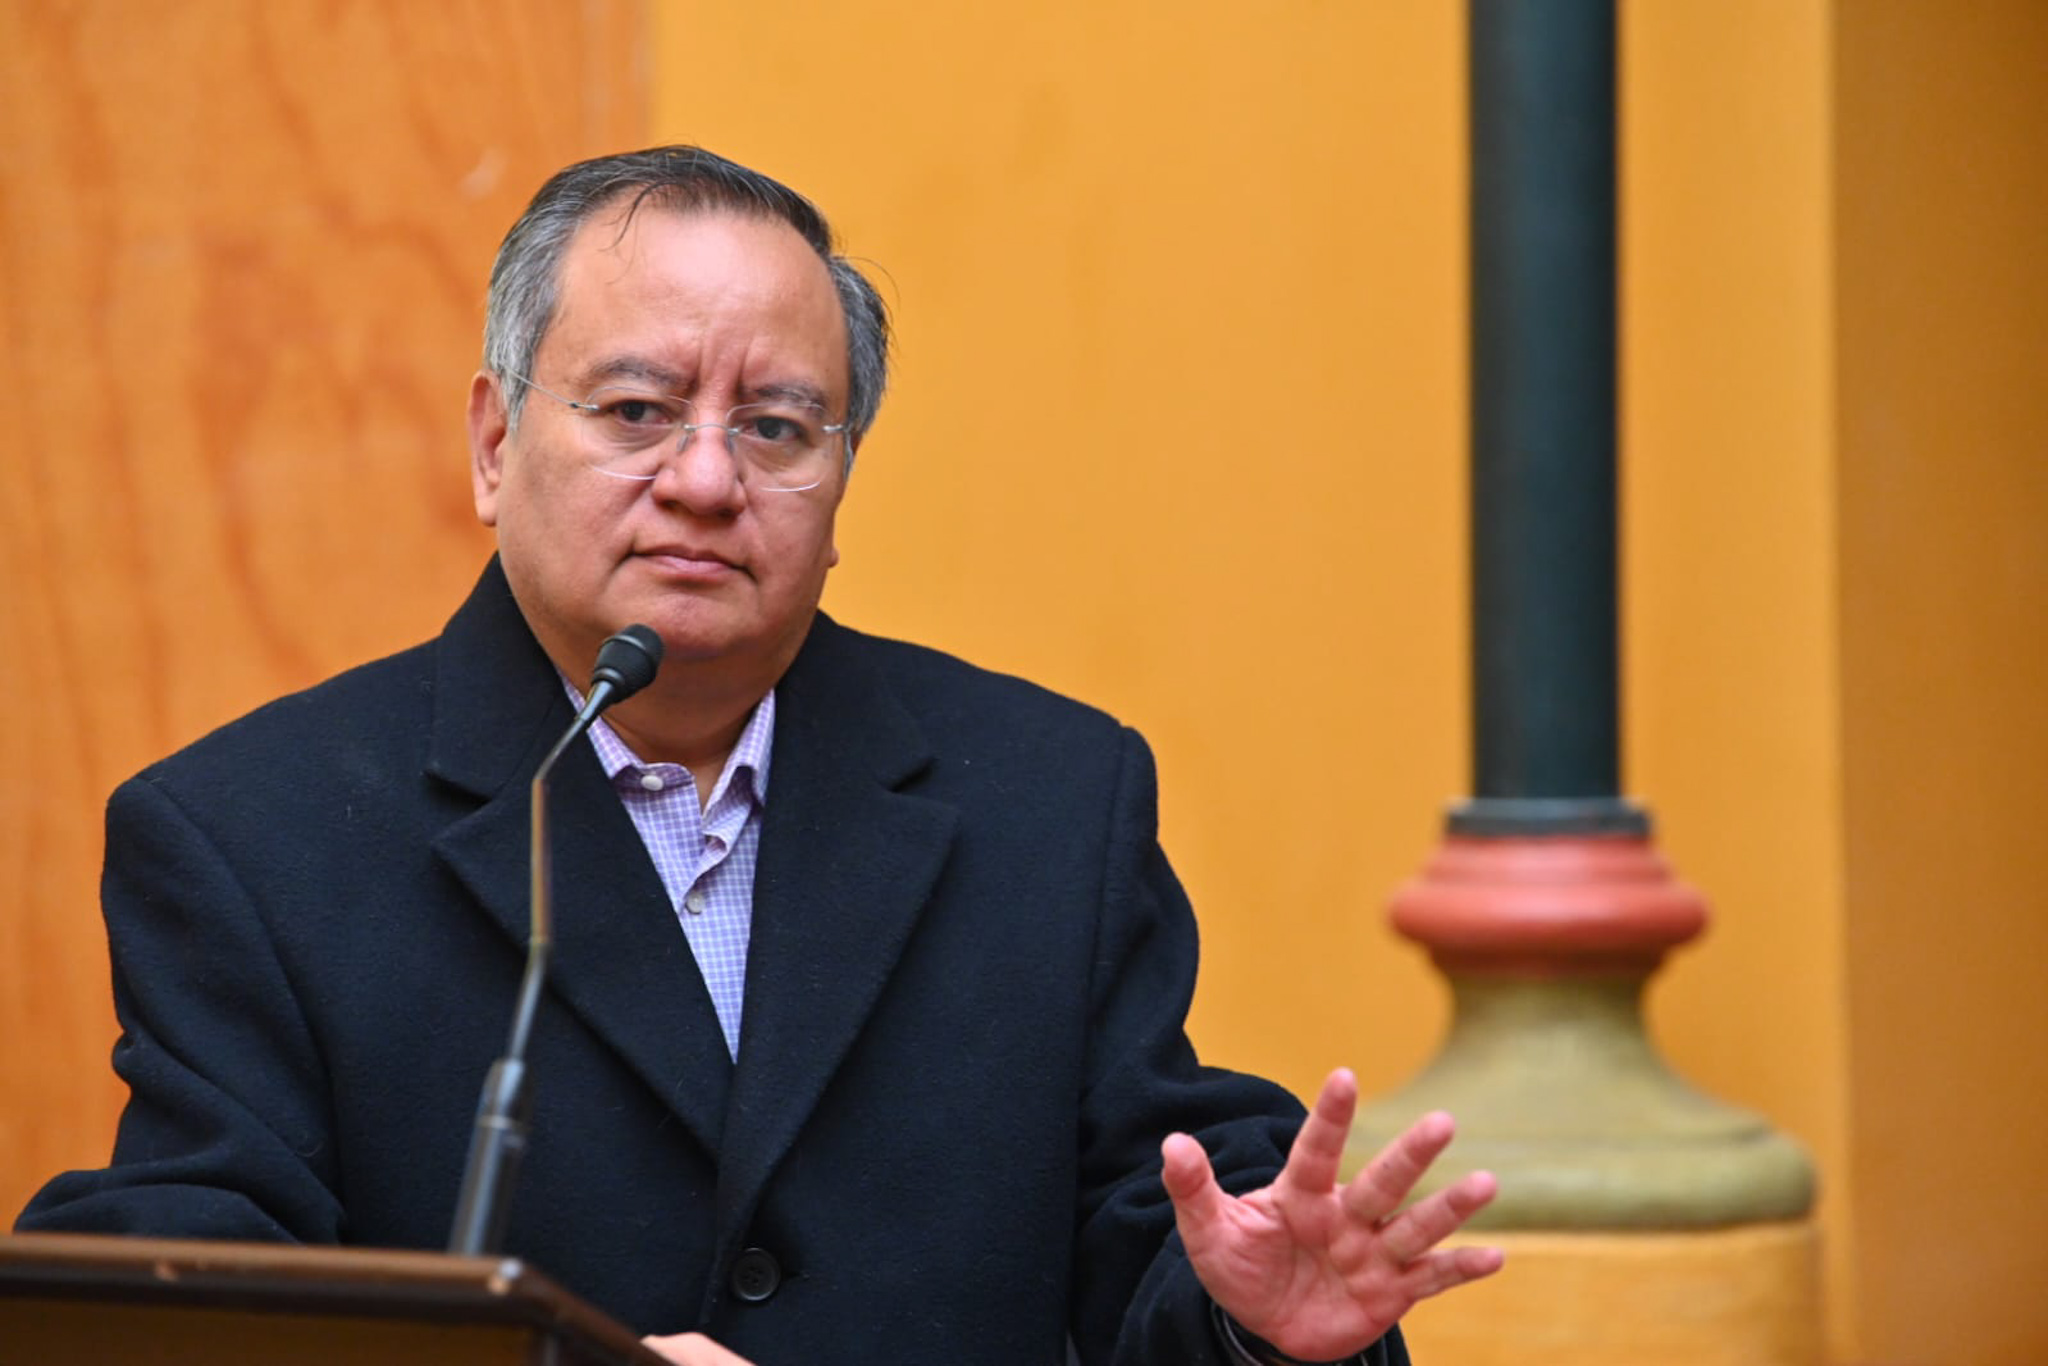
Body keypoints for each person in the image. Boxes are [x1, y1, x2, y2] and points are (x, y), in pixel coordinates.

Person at [17, 146, 1501, 1364]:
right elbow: (190, 1296)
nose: (709, 478)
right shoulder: (252, 836)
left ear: (842, 481)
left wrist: (1255, 1328)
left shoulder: (1049, 800)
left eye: (780, 427)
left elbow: (1151, 1236)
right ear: (493, 444)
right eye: (638, 412)